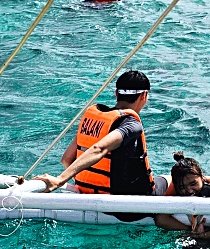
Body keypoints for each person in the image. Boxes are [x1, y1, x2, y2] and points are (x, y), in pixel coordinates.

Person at [39, 70, 160, 222]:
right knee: (170, 181)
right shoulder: (131, 124)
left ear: (116, 93)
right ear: (144, 96)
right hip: (125, 208)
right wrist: (59, 180)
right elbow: (99, 149)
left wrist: (90, 183)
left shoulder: (99, 120)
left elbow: (66, 159)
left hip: (88, 196)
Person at [155, 153, 210, 239]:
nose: (190, 190)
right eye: (182, 187)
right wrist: (191, 231)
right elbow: (161, 219)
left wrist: (204, 236)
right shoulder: (175, 188)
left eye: (193, 184)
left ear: (202, 177)